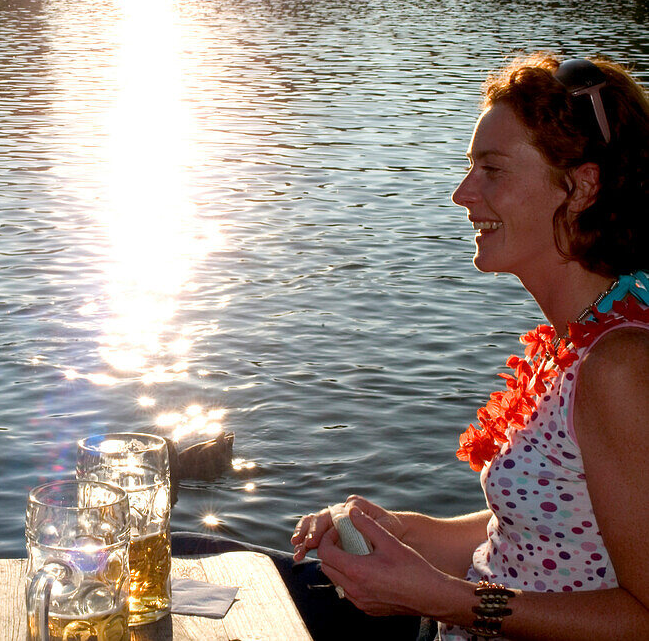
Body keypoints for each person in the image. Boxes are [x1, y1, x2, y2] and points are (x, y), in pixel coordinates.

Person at [177, 52, 649, 640]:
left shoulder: (622, 365)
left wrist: (450, 600)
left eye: (491, 169)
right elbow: (547, 532)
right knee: (184, 558)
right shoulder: (580, 338)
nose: (462, 194)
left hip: (460, 626)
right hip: (448, 621)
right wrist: (405, 532)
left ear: (581, 186)